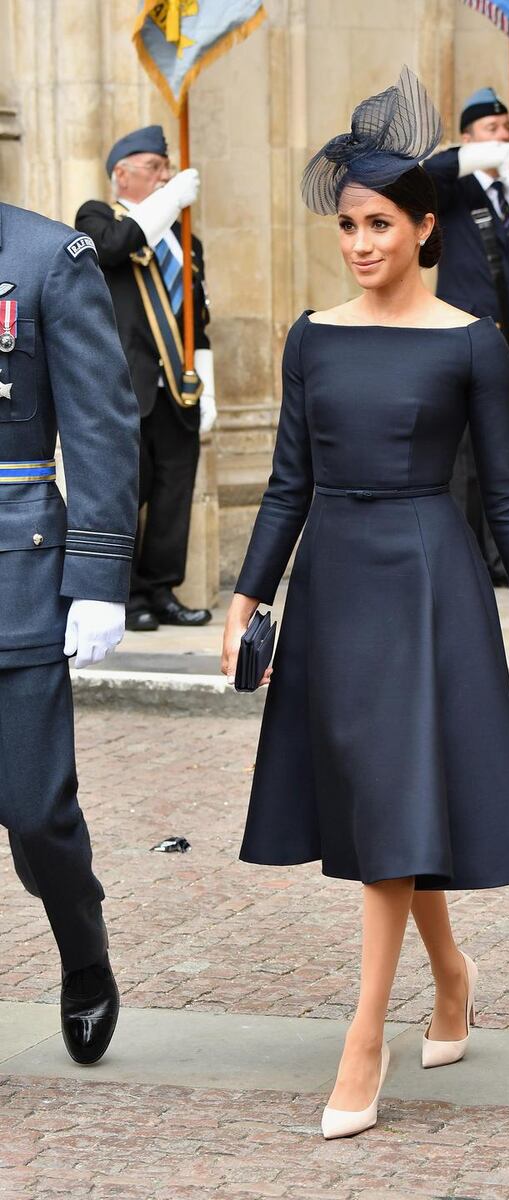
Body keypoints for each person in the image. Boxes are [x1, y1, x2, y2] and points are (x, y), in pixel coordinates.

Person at [221, 68, 509, 1140]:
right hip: (334, 579)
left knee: (390, 797)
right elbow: (288, 480)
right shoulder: (310, 336)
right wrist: (244, 598)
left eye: (379, 223)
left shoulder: (473, 340)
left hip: (429, 580)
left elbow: (505, 495)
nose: (360, 242)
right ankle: (452, 975)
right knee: (385, 797)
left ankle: (364, 1035)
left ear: (424, 227)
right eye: (346, 225)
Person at [0, 200, 140, 1063]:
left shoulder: (52, 255)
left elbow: (100, 422)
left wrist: (96, 577)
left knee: (34, 812)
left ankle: (83, 952)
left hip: (15, 567)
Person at [75, 125, 215, 632]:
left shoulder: (185, 240)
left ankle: (161, 590)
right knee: (126, 496)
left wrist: (208, 382)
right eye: (155, 167)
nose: (165, 175)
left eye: (167, 168)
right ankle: (126, 595)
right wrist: (171, 199)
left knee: (175, 495)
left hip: (179, 388)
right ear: (122, 173)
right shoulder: (97, 216)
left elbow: (196, 316)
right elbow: (114, 248)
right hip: (125, 389)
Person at [425, 87, 509, 583]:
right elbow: (421, 176)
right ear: (469, 139)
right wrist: (475, 158)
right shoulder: (453, 193)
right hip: (463, 343)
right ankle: (464, 558)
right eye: (491, 130)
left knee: (505, 455)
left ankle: (499, 558)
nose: (503, 137)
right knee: (460, 459)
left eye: (507, 129)